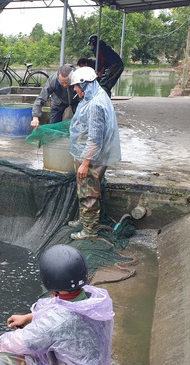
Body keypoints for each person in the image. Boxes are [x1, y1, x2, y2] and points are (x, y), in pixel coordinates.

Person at [0, 244, 114, 365]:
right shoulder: (96, 299)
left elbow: (23, 342)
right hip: (94, 360)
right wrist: (29, 317)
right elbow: (61, 311)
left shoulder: (57, 323)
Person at [68, 66, 121, 240]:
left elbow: (95, 139)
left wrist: (85, 163)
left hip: (92, 158)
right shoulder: (95, 95)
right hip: (88, 154)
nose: (75, 89)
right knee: (84, 189)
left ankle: (89, 230)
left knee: (88, 193)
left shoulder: (96, 105)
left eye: (76, 86)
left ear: (85, 84)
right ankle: (85, 220)